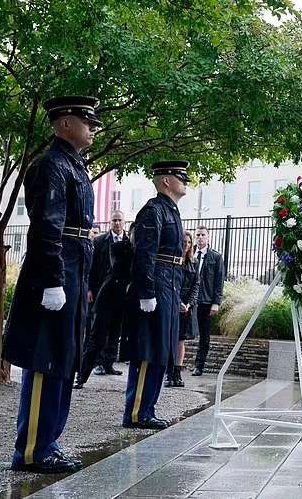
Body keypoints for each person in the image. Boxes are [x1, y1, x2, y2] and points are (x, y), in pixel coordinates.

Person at [2, 95, 101, 473]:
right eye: (85, 121)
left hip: (73, 268)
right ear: (63, 124)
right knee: (46, 358)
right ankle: (32, 449)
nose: (92, 128)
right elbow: (47, 227)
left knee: (63, 356)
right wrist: (53, 281)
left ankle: (49, 442)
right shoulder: (51, 166)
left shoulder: (73, 166)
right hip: (57, 271)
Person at [119, 160, 189, 429]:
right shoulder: (153, 210)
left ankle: (147, 408)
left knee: (162, 350)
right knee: (149, 349)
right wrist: (147, 292)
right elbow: (145, 254)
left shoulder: (171, 210)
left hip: (168, 284)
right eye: (180, 177)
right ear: (166, 181)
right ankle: (137, 412)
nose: (185, 181)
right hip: (157, 285)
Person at [75, 210, 129, 387]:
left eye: (120, 220)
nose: (117, 223)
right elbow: (91, 267)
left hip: (122, 296)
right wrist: (90, 288)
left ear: (124, 222)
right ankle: (84, 373)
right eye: (114, 220)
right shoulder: (100, 241)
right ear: (110, 222)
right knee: (96, 335)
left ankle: (108, 363)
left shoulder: (129, 243)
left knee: (115, 334)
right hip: (103, 293)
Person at [191, 225, 225, 376]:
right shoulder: (188, 253)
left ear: (208, 237)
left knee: (204, 336)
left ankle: (199, 365)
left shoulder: (216, 257)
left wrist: (216, 302)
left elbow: (219, 281)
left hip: (206, 301)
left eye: (202, 235)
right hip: (189, 301)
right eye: (197, 235)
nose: (200, 238)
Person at [167, 231, 199, 388]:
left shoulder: (194, 263)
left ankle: (177, 373)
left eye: (188, 242)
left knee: (181, 340)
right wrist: (178, 302)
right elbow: (171, 284)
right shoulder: (173, 261)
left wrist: (189, 304)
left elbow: (196, 286)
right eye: (183, 242)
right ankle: (169, 372)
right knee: (170, 339)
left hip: (187, 308)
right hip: (173, 304)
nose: (185, 245)